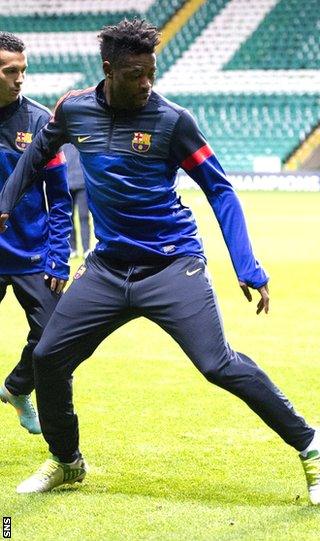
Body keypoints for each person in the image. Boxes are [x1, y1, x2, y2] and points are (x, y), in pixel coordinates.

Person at [0, 19, 319, 504]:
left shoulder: (173, 121)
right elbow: (37, 153)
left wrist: (246, 263)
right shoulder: (73, 109)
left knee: (218, 364)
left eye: (151, 72)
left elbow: (220, 188)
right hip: (107, 267)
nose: (146, 83)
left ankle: (311, 446)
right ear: (108, 70)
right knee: (48, 358)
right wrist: (7, 201)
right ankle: (67, 462)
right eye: (135, 74)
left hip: (172, 265)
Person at [0, 32, 72, 434]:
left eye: (23, 70)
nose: (20, 79)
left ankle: (16, 388)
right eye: (10, 71)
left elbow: (60, 197)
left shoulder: (41, 121)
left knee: (53, 335)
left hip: (32, 254)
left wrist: (58, 255)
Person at [63, 143, 91, 259]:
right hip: (66, 183)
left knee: (83, 216)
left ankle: (86, 248)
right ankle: (72, 248)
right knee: (69, 217)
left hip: (82, 183)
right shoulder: (62, 143)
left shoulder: (82, 140)